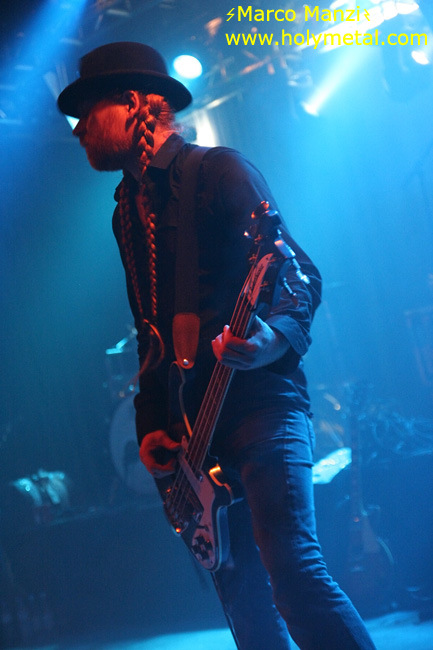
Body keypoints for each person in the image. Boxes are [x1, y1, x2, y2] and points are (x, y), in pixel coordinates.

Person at [57, 41, 377, 650]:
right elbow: (149, 332)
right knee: (245, 602)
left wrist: (268, 340)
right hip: (194, 433)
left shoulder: (219, 171)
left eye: (88, 110)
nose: (77, 130)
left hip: (261, 409)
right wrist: (152, 423)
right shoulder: (127, 212)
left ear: (133, 103)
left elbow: (300, 275)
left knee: (294, 575)